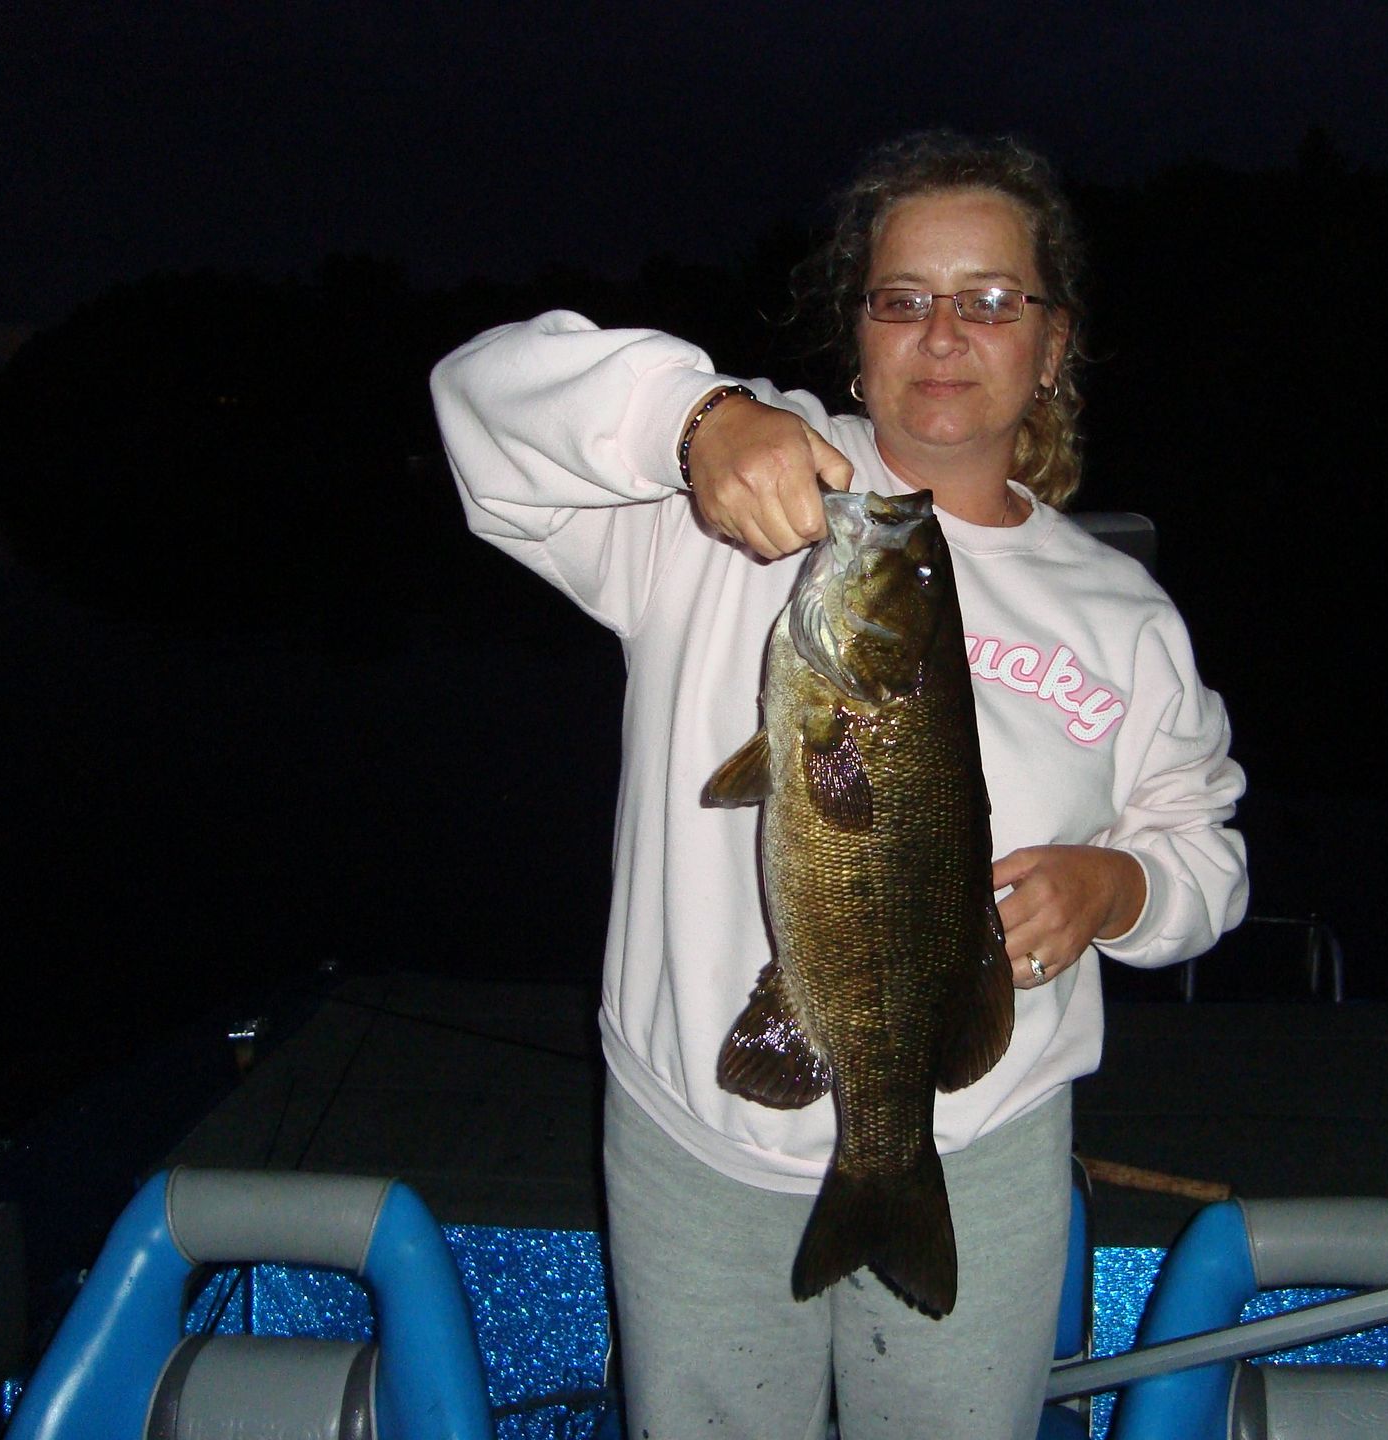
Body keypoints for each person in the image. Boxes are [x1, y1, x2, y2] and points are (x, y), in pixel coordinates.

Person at [430, 131, 1249, 1440]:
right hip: (696, 1134)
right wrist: (692, 421)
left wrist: (1122, 884)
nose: (941, 335)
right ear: (857, 336)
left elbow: (1207, 851)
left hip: (982, 1140)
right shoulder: (739, 492)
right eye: (902, 299)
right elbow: (479, 397)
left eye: (989, 301)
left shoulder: (1120, 612)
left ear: (1053, 346)